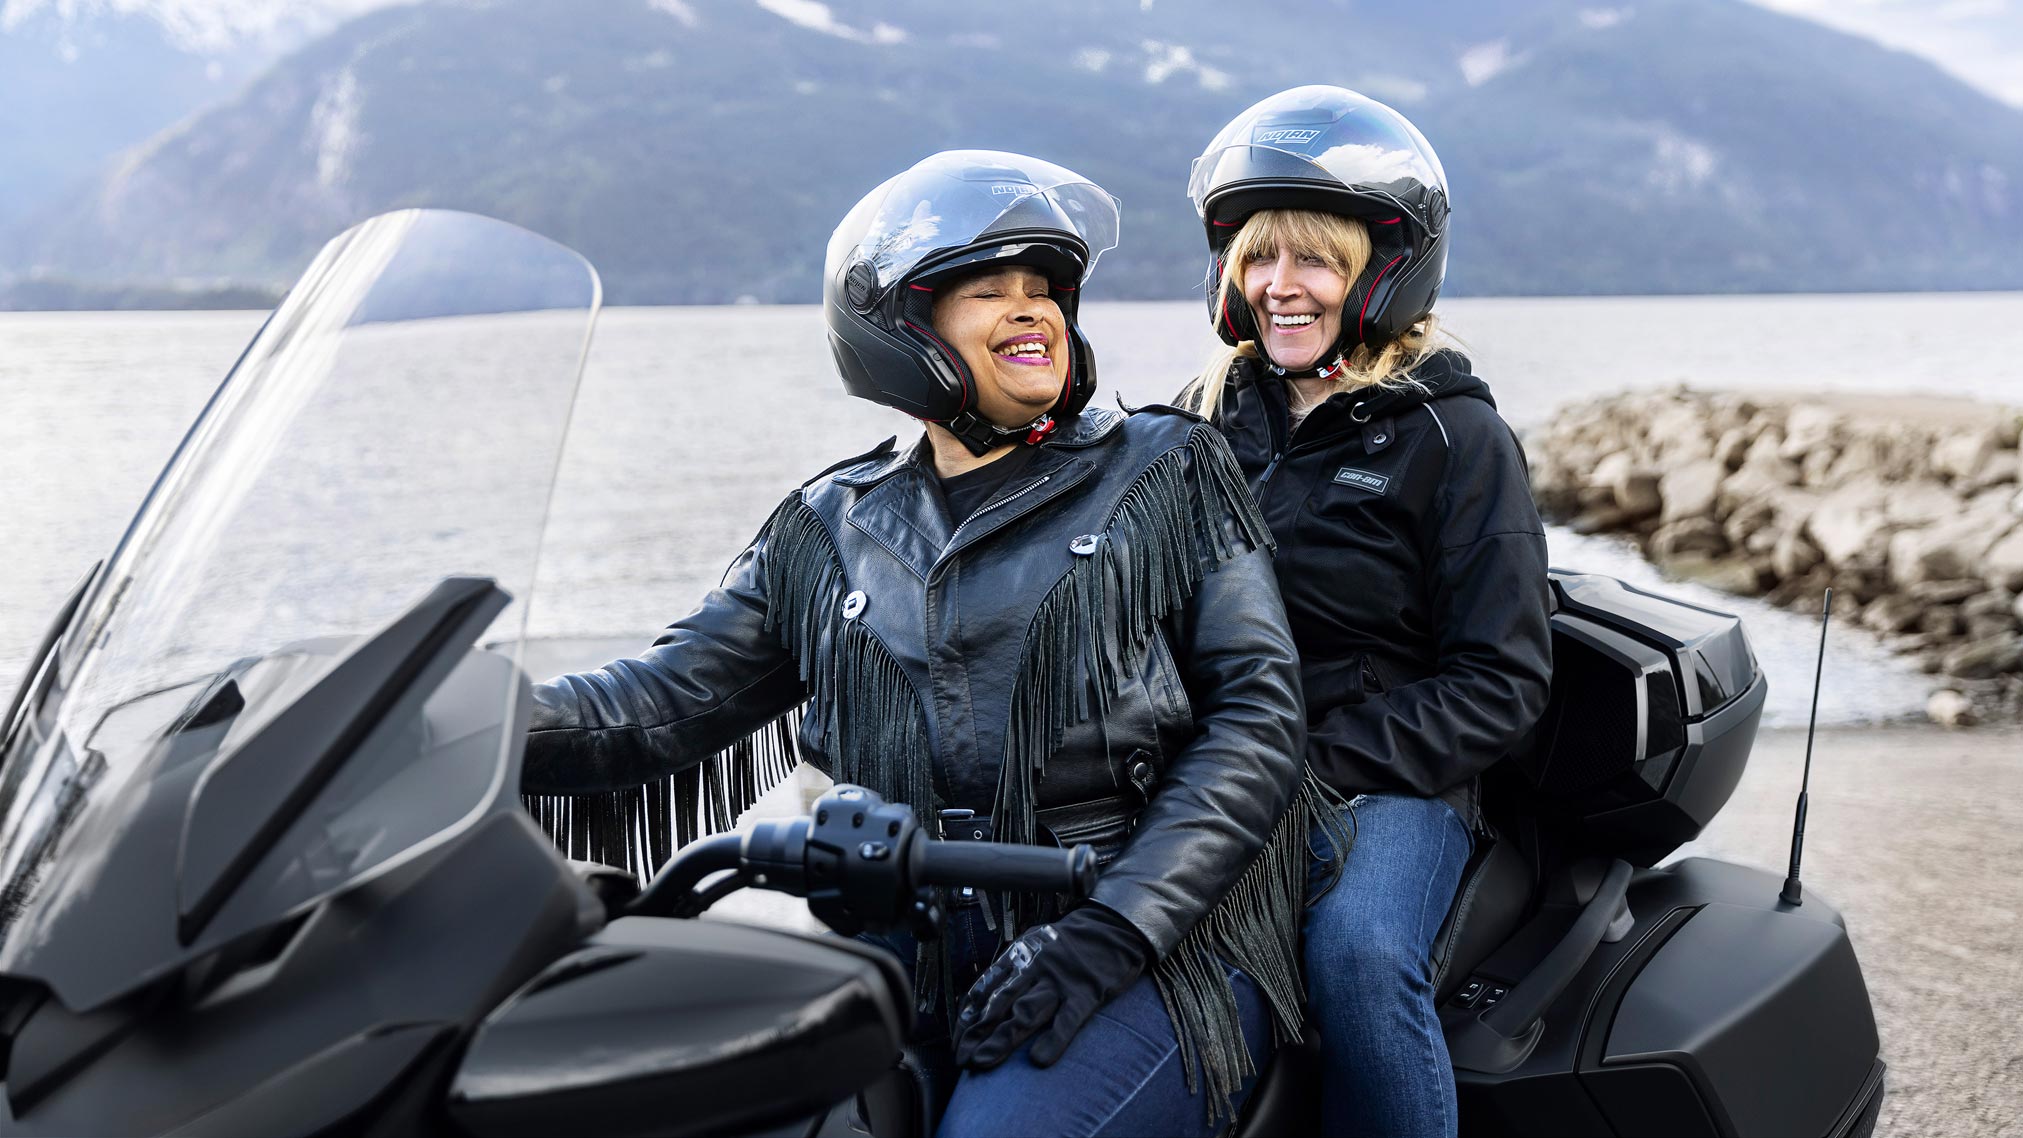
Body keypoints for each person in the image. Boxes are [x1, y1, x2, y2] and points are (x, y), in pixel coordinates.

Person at [521, 151, 1315, 1136]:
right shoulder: (829, 526)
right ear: (899, 329)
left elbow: (1256, 719)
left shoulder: (1164, 470)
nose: (1032, 312)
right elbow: (655, 704)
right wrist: (464, 719)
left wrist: (1112, 930)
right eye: (991, 291)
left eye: (1045, 290)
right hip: (904, 954)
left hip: (1145, 948)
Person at [1181, 87, 1554, 1138]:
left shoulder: (1454, 439)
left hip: (1385, 781)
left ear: (1382, 272)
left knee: (1358, 955)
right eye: (1258, 257)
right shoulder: (1200, 419)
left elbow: (1502, 681)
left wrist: (1312, 763)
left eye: (1314, 259)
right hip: (1218, 761)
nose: (1278, 286)